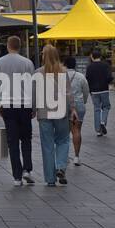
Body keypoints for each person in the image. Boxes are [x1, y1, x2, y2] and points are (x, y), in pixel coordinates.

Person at [0, 35, 36, 186]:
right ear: (20, 46)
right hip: (24, 104)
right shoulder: (28, 63)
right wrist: (33, 106)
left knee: (12, 141)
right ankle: (27, 170)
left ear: (8, 46)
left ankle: (17, 176)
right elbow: (33, 86)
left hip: (8, 105)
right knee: (26, 138)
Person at [37, 45, 73, 186]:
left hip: (44, 113)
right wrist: (73, 109)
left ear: (44, 56)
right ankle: (61, 167)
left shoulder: (38, 73)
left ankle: (50, 179)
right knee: (63, 140)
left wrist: (33, 109)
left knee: (47, 145)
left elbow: (35, 94)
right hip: (61, 112)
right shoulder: (63, 72)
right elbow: (69, 94)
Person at [63, 55, 90, 167]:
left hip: (64, 105)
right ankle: (76, 157)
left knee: (64, 133)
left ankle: (64, 157)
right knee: (77, 130)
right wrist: (83, 101)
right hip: (78, 104)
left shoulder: (60, 76)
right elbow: (86, 91)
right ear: (75, 65)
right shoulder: (80, 76)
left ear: (64, 64)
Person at [86, 46, 113, 136]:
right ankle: (103, 121)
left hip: (94, 91)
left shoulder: (89, 67)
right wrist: (106, 82)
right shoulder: (105, 65)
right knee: (106, 107)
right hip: (104, 89)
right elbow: (110, 77)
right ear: (100, 57)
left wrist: (90, 90)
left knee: (97, 109)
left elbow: (87, 79)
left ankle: (98, 130)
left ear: (92, 57)